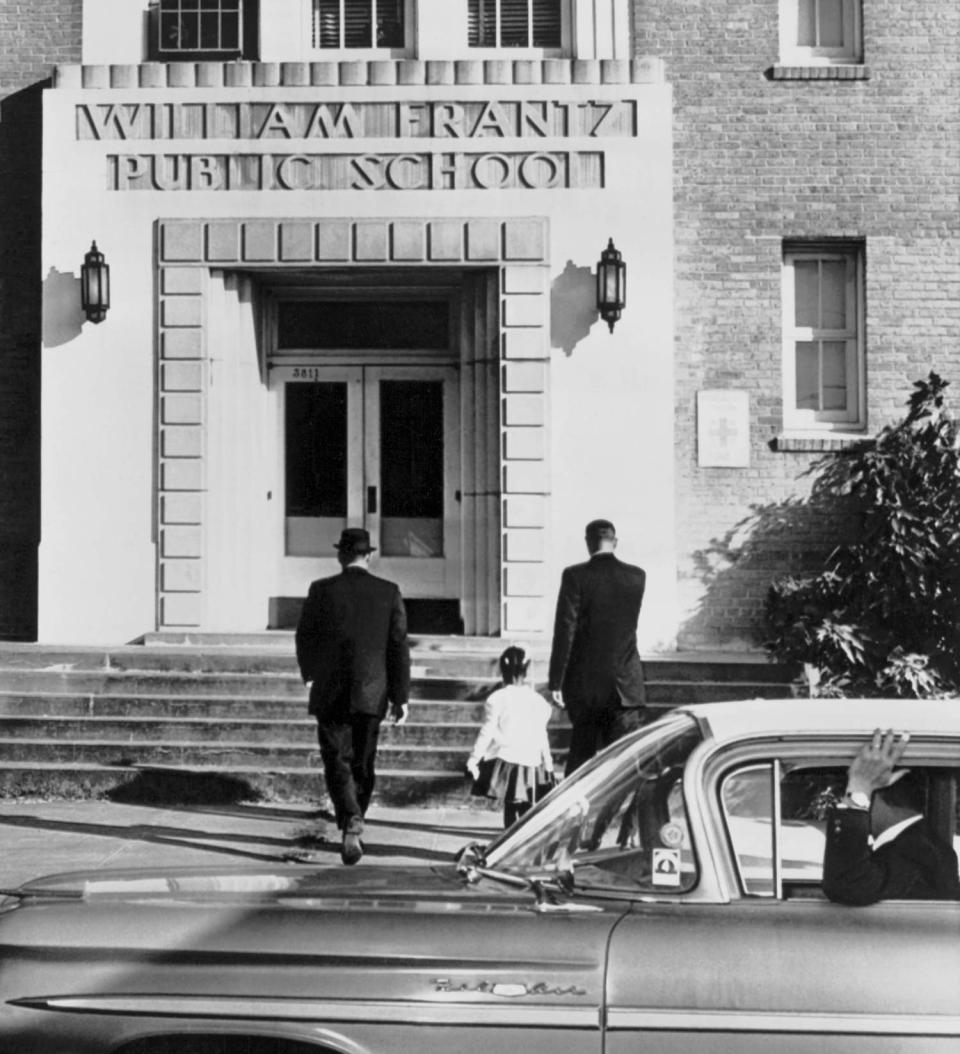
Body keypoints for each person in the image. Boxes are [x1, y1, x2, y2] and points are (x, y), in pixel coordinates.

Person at [295, 527, 410, 866]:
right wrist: (400, 695)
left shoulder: (321, 590)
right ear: (369, 555)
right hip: (372, 692)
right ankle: (354, 821)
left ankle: (351, 819)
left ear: (341, 556)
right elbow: (398, 646)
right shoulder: (388, 592)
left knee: (336, 760)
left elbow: (305, 637)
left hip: (330, 689)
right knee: (363, 761)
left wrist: (311, 673)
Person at [548, 518, 648, 776]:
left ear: (588, 543)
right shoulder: (636, 577)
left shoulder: (574, 576)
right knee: (625, 764)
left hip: (586, 686)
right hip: (625, 684)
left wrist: (556, 680)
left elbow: (565, 630)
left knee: (581, 762)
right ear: (615, 542)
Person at [822, 728, 960, 905]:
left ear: (878, 798)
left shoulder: (916, 851)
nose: (845, 801)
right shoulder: (920, 844)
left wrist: (860, 786)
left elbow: (847, 886)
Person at [466, 646, 556, 827]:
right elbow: (541, 735)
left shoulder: (497, 698)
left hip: (508, 761)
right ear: (526, 671)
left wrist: (474, 759)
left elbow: (487, 731)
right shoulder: (538, 701)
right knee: (526, 805)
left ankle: (510, 838)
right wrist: (548, 765)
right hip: (530, 761)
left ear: (502, 671)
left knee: (511, 805)